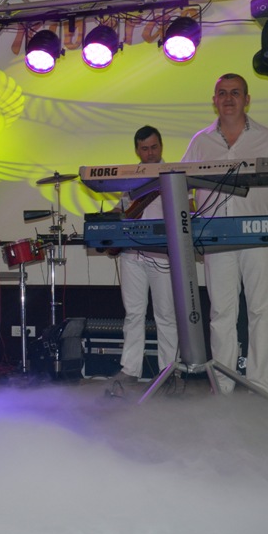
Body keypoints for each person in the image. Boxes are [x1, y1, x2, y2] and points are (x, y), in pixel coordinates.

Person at [182, 73, 268, 395]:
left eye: (235, 92)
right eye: (222, 93)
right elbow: (182, 190)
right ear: (214, 100)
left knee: (261, 311)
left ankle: (260, 385)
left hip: (259, 239)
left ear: (247, 100)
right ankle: (223, 385)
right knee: (221, 313)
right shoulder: (200, 141)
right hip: (216, 242)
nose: (228, 98)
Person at [107, 126, 179, 395]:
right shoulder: (130, 177)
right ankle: (130, 369)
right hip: (131, 255)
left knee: (166, 315)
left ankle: (168, 370)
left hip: (162, 255)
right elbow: (123, 209)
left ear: (161, 146)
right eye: (144, 149)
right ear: (137, 150)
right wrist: (109, 219)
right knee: (134, 314)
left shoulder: (174, 175)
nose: (150, 153)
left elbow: (188, 210)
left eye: (154, 147)